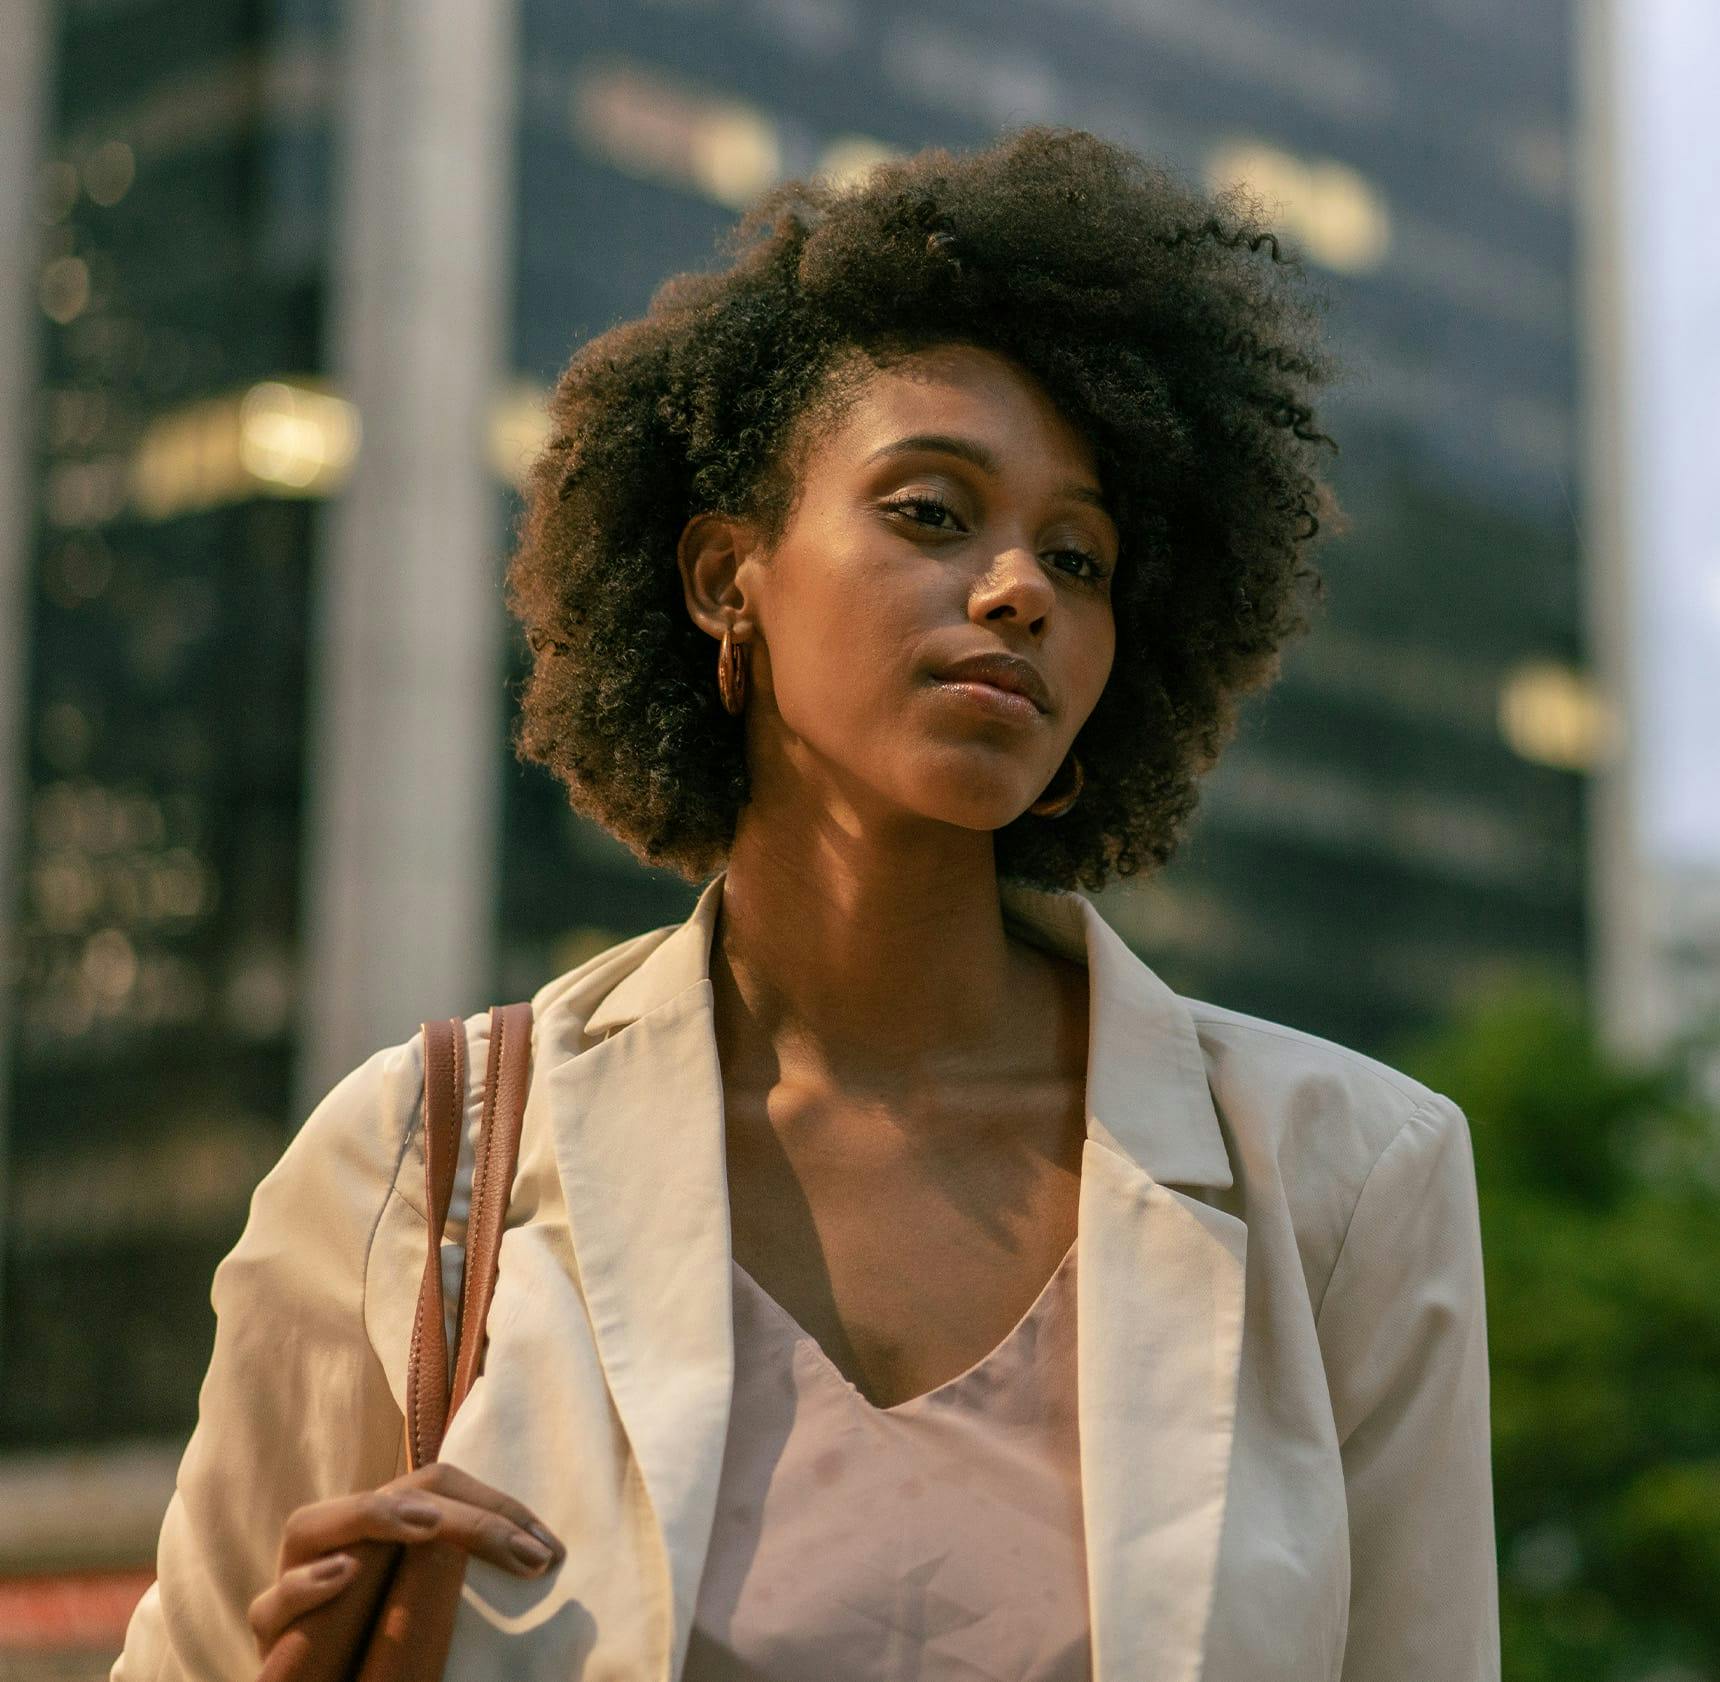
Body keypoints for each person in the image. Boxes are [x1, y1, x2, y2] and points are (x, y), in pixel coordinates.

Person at [112, 124, 1499, 1681]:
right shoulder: (416, 1168)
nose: (1019, 589)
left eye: (1082, 554)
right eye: (929, 510)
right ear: (725, 577)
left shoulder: (1347, 1185)